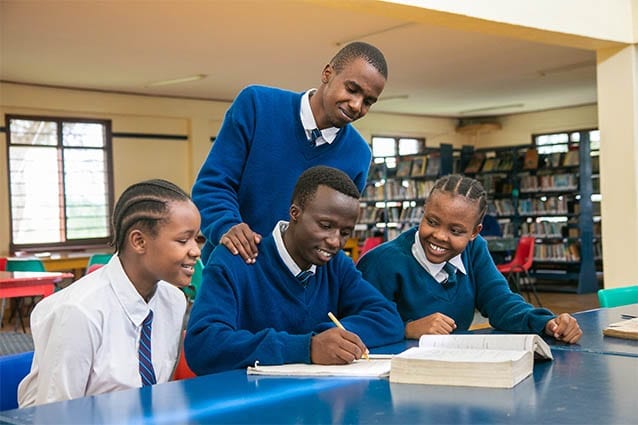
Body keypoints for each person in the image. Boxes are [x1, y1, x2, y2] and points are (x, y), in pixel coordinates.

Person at [185, 166, 404, 375]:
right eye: (325, 226)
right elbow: (203, 344)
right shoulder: (236, 260)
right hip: (249, 402)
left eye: (345, 232)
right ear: (295, 213)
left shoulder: (335, 265)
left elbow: (388, 318)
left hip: (314, 403)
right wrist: (305, 346)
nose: (335, 241)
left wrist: (328, 338)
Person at [192, 41, 388, 265]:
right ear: (327, 73)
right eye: (352, 89)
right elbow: (212, 185)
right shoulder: (257, 105)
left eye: (368, 101)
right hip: (231, 271)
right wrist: (227, 226)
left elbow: (334, 231)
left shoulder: (358, 155)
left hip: (297, 286)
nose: (356, 105)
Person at [18, 179, 201, 407]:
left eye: (197, 239)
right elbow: (55, 415)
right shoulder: (79, 312)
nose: (195, 251)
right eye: (183, 240)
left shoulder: (173, 300)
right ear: (139, 241)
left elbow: (159, 391)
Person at [356, 174, 582, 343]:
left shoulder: (474, 250)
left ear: (475, 232)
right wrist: (408, 329)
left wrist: (545, 323)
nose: (440, 236)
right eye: (432, 222)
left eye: (456, 231)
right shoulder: (382, 262)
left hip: (453, 370)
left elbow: (500, 302)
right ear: (423, 212)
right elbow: (359, 328)